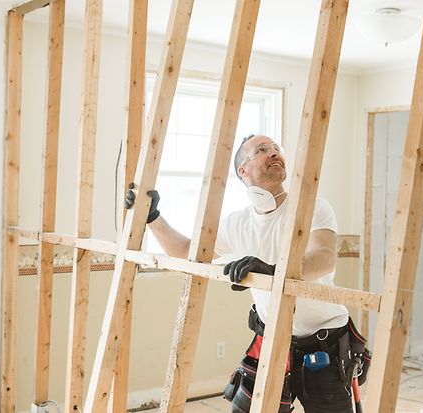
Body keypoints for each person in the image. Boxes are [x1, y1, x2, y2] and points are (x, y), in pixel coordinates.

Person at [125, 134, 370, 413]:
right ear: (243, 170)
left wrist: (273, 272)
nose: (274, 153)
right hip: (272, 340)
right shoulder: (237, 224)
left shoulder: (312, 208)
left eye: (277, 148)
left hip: (325, 343)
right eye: (262, 150)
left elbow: (324, 259)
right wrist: (152, 217)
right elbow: (186, 250)